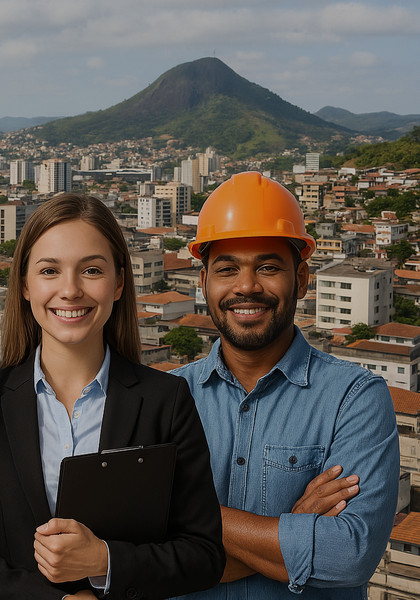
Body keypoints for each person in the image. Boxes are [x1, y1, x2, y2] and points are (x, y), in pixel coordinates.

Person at [0, 194, 224, 600]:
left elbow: (203, 555)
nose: (70, 290)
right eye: (50, 270)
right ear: (26, 285)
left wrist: (105, 561)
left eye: (91, 270)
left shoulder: (166, 400)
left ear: (119, 282)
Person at [171, 172, 399, 599]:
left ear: (303, 278)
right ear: (203, 282)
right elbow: (142, 560)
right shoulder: (163, 398)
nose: (246, 287)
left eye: (268, 267)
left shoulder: (354, 399)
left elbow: (348, 555)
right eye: (227, 269)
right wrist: (293, 524)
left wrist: (184, 514)